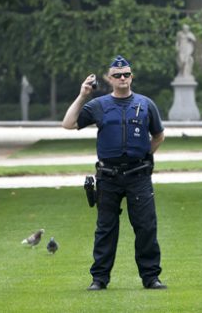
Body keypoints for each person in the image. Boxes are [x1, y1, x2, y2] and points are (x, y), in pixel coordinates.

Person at [61, 55, 167, 291]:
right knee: (106, 228)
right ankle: (99, 279)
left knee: (146, 227)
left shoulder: (145, 104)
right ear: (109, 79)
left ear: (132, 76)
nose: (122, 78)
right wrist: (82, 95)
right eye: (117, 75)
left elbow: (159, 135)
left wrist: (144, 156)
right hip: (108, 177)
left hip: (138, 175)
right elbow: (68, 124)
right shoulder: (98, 106)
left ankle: (151, 277)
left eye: (126, 74)